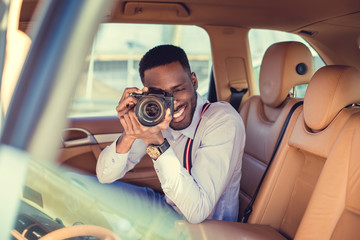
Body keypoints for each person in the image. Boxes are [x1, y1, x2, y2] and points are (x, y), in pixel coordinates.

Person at [96, 45, 245, 228]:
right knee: (79, 187)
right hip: (166, 210)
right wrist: (130, 133)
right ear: (148, 94)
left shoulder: (222, 120)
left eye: (178, 89)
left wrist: (155, 141)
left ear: (194, 81)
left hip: (204, 229)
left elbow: (197, 211)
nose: (172, 103)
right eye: (162, 95)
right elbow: (104, 176)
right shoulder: (155, 113)